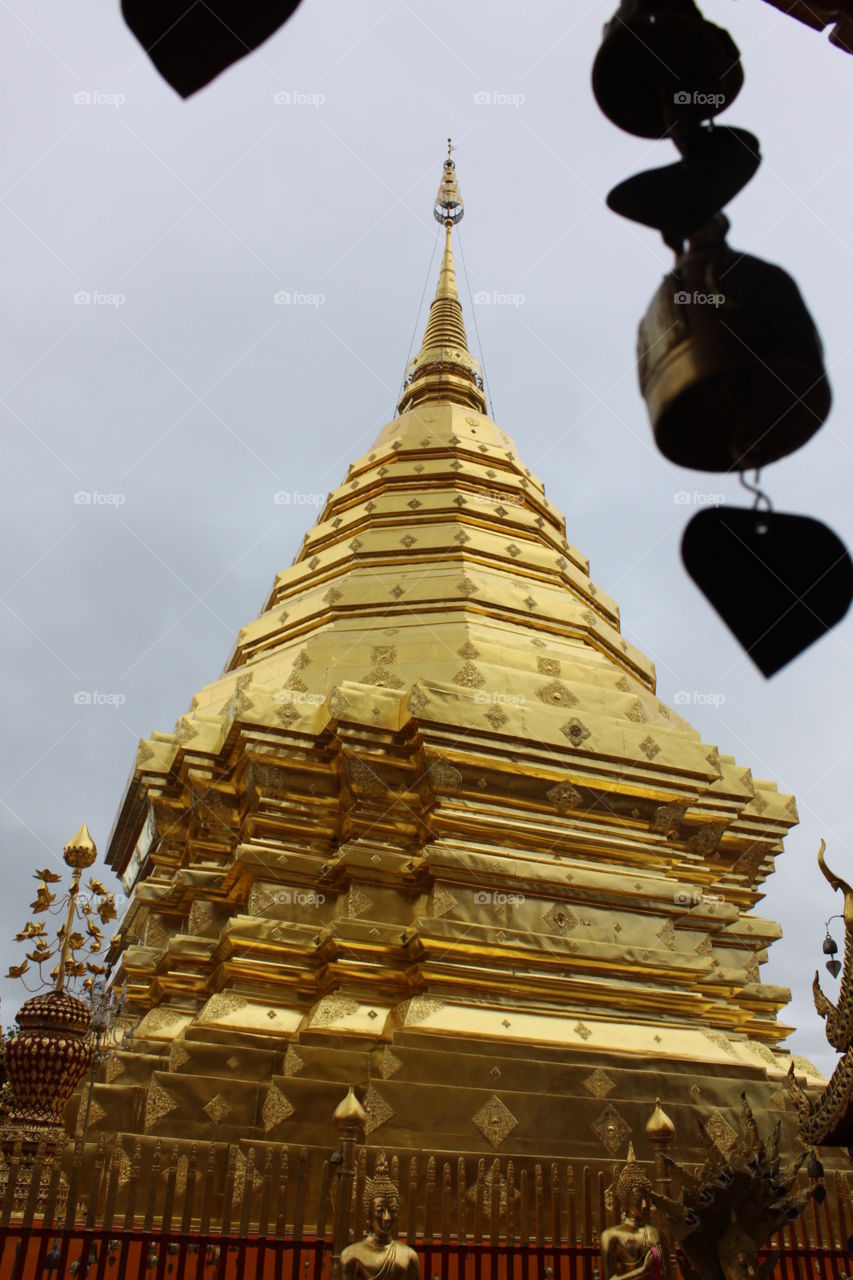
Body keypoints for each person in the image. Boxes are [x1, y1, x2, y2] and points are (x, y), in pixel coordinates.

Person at [341, 1153, 420, 1280]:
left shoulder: (409, 1256)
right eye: (380, 1210)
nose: (387, 1217)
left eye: (392, 1210)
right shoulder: (351, 1255)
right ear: (369, 1214)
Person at [601, 1145, 669, 1280]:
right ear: (625, 1199)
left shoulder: (654, 1234)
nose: (644, 1204)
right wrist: (643, 1271)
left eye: (646, 1198)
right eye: (638, 1198)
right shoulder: (611, 1236)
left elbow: (666, 1274)